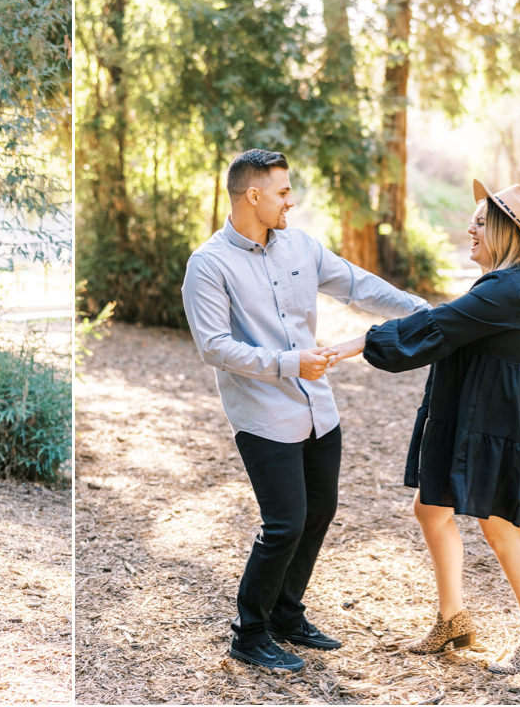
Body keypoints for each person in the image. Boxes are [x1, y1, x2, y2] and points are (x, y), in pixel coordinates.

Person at [181, 149, 429, 672]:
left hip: (319, 410)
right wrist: (291, 362)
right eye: (283, 192)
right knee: (284, 524)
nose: (290, 201)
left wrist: (425, 310)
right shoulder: (208, 264)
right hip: (263, 415)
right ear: (254, 196)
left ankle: (287, 615)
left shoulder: (300, 245)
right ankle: (249, 632)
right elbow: (213, 347)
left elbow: (359, 286)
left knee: (318, 514)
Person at [327, 181, 520, 674]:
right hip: (471, 408)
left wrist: (355, 344)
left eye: (480, 222)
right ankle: (453, 618)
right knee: (431, 506)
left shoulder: (515, 286)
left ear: (506, 231)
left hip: (497, 417)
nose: (470, 229)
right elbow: (448, 325)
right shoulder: (506, 282)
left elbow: (440, 325)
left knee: (497, 523)